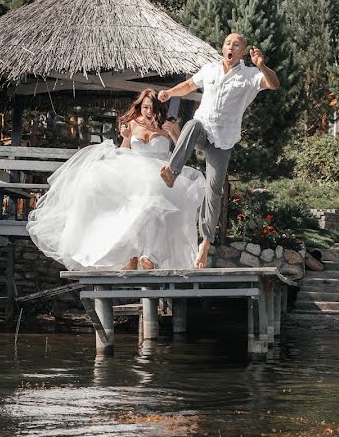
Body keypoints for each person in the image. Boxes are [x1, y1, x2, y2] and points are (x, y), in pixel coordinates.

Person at [26, 89, 206, 271]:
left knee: (154, 203)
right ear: (140, 107)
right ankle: (131, 256)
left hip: (159, 171)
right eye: (145, 107)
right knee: (125, 205)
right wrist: (126, 137)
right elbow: (124, 151)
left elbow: (183, 153)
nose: (148, 111)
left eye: (152, 107)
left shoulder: (169, 124)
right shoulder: (132, 124)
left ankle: (150, 255)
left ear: (159, 107)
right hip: (133, 169)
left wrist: (174, 134)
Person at [157, 33, 280, 268]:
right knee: (191, 124)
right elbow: (189, 85)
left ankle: (205, 243)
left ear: (243, 52)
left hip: (223, 141)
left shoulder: (250, 76)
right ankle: (173, 172)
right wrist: (170, 92)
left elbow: (274, 84)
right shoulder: (210, 69)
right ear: (223, 48)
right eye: (227, 43)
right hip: (204, 130)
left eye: (236, 44)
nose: (230, 47)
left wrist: (262, 66)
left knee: (213, 191)